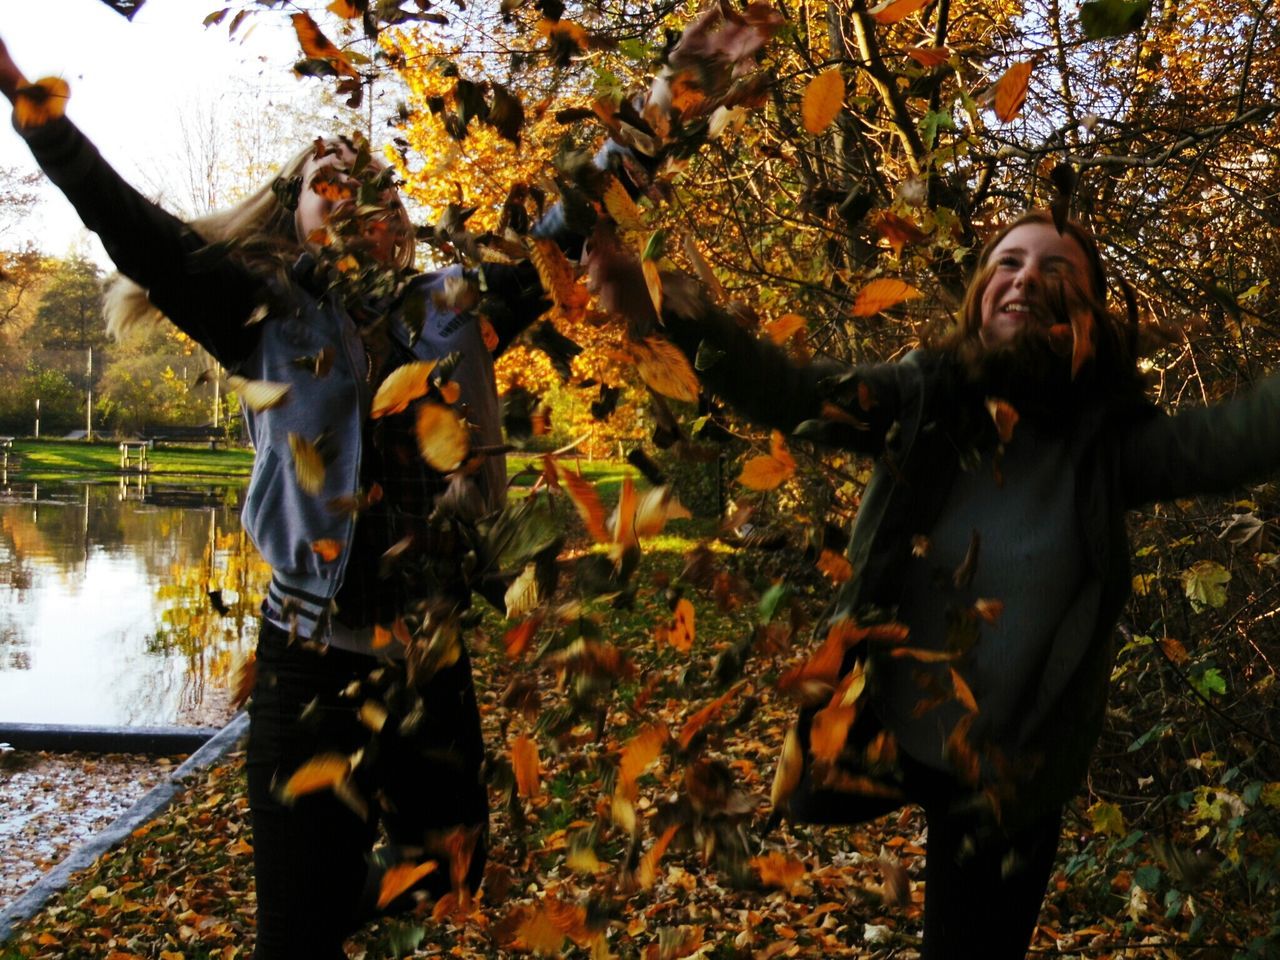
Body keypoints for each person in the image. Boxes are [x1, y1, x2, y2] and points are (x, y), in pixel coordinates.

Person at [0, 42, 559, 960]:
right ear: (295, 216)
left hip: (430, 663)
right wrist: (30, 100)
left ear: (400, 220)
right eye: (327, 181)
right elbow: (129, 225)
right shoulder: (259, 312)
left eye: (372, 181)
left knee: (452, 878)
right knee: (299, 935)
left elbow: (569, 228)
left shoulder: (456, 310)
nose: (353, 193)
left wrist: (683, 96)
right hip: (309, 670)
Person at [657, 210, 1280, 958]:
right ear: (983, 291)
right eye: (1010, 262)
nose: (1026, 279)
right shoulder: (922, 398)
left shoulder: (1111, 446)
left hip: (1005, 768)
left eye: (1058, 271)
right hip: (881, 725)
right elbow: (791, 394)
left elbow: (1231, 442)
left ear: (1089, 313)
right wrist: (673, 313)